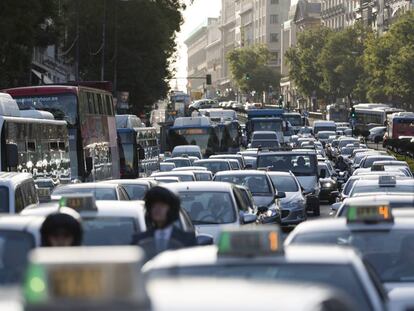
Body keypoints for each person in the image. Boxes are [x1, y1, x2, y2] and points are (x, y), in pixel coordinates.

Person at [133, 186, 197, 260]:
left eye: (162, 205)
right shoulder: (140, 240)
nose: (157, 209)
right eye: (153, 206)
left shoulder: (186, 239)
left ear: (171, 209)